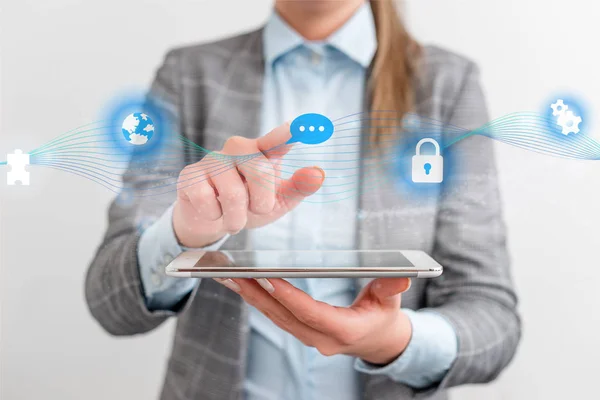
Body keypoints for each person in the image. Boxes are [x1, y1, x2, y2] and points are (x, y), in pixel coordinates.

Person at [85, 0, 522, 399]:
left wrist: (395, 341)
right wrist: (183, 233)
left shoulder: (447, 83)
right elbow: (111, 304)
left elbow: (493, 320)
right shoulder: (188, 73)